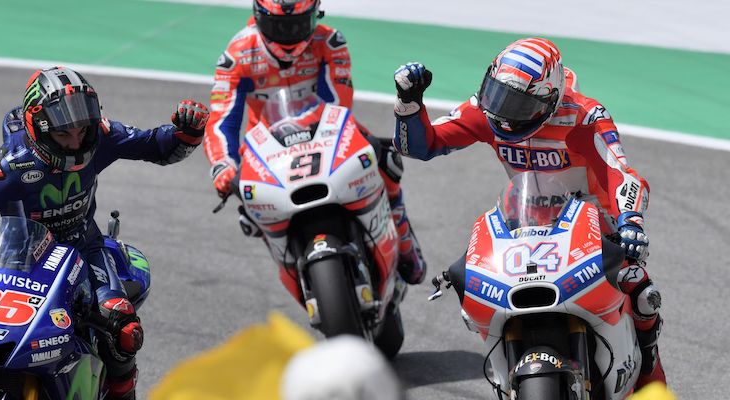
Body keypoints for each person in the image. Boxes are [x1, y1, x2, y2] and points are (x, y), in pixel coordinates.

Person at [392, 38, 665, 388]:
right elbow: (421, 145)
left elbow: (620, 172)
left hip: (593, 228)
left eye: (520, 104)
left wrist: (631, 221)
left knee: (640, 291)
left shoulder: (584, 116)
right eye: (498, 95)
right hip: (523, 225)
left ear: (551, 98)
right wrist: (408, 104)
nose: (505, 113)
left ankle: (650, 371)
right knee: (470, 282)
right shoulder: (488, 111)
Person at [0, 66, 209, 399]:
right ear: (40, 130)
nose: (77, 141)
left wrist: (187, 131)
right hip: (16, 259)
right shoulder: (5, 167)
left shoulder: (102, 135)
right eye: (64, 135)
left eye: (82, 131)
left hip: (83, 248)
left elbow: (156, 146)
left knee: (124, 330)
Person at [203, 0, 426, 284]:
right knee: (248, 208)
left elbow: (339, 103)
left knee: (384, 159)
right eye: (279, 25)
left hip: (327, 129)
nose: (289, 34)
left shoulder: (330, 41)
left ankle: (404, 241)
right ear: (258, 18)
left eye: (299, 24)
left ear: (315, 15)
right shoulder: (236, 55)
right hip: (265, 145)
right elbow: (223, 118)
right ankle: (291, 265)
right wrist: (223, 165)